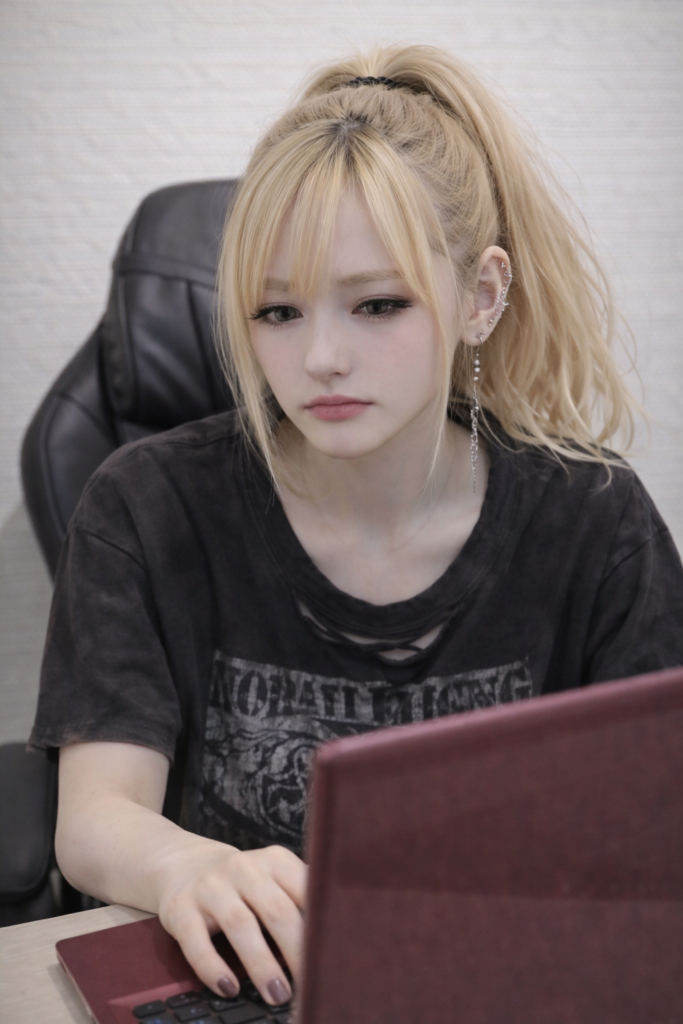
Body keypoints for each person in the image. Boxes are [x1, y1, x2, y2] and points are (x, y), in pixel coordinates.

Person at [30, 44, 683, 1009]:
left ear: (480, 296)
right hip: (246, 981)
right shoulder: (143, 506)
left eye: (377, 304)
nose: (322, 357)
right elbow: (95, 818)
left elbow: (652, 828)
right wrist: (183, 867)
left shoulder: (593, 519)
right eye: (277, 311)